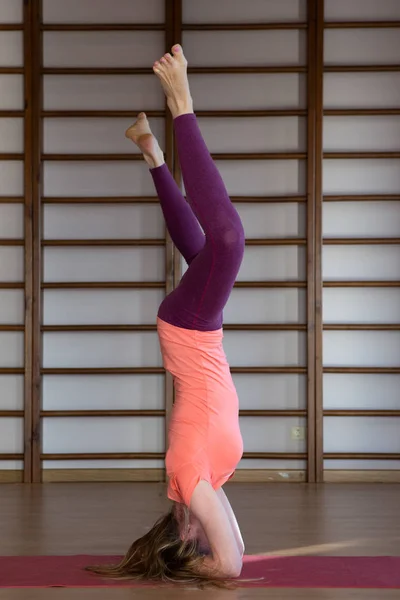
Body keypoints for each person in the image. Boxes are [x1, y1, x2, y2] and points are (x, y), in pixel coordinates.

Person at [87, 44, 245, 586]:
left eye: (201, 537)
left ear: (189, 533)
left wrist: (199, 566)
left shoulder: (186, 473)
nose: (218, 528)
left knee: (227, 241)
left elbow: (230, 564)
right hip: (196, 333)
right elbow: (237, 547)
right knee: (204, 248)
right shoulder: (208, 481)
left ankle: (181, 104)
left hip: (189, 332)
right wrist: (195, 555)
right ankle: (151, 149)